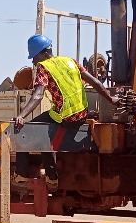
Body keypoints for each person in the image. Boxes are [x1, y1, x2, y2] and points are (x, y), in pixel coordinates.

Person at [12, 34, 114, 190]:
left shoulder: (44, 68)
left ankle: (21, 175)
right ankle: (51, 178)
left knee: (27, 130)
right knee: (44, 133)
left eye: (34, 57)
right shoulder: (70, 61)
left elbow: (38, 95)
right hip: (81, 115)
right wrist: (111, 99)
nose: (33, 61)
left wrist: (21, 116)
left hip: (65, 117)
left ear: (43, 53)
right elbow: (95, 82)